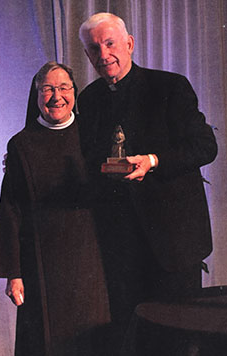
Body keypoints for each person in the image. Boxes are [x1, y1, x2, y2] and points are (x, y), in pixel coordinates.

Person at [77, 12, 218, 352]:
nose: (103, 54)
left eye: (110, 44)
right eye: (94, 49)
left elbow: (205, 146)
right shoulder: (89, 99)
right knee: (132, 342)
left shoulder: (170, 86)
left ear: (129, 44)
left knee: (178, 342)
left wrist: (153, 161)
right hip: (121, 246)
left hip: (174, 243)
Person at [0, 61, 111, 356]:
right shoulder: (21, 144)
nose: (57, 97)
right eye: (48, 89)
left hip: (92, 261)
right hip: (40, 264)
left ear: (74, 92)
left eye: (64, 88)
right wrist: (13, 273)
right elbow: (10, 209)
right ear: (36, 94)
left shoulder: (92, 136)